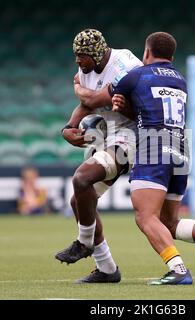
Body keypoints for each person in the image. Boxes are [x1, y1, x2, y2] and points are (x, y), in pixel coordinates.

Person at [110, 32, 195, 284]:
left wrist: (82, 88)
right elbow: (146, 106)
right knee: (168, 222)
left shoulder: (138, 74)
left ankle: (179, 270)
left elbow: (108, 95)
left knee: (145, 216)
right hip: (181, 147)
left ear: (146, 53)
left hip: (153, 144)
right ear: (171, 56)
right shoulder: (180, 80)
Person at [54, 29, 143, 283]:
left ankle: (83, 243)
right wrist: (68, 128)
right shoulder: (86, 71)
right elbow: (87, 103)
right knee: (80, 202)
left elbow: (93, 98)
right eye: (76, 56)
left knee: (82, 178)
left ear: (96, 52)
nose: (78, 62)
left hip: (136, 135)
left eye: (81, 56)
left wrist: (82, 92)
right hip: (113, 135)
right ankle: (107, 269)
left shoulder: (124, 63)